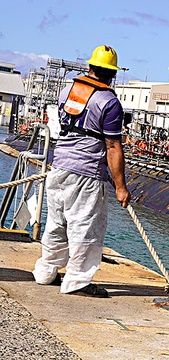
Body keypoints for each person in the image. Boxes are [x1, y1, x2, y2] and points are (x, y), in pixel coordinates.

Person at [32, 46, 131, 298]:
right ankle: (76, 282)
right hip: (86, 173)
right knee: (85, 227)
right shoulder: (110, 103)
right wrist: (120, 186)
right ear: (111, 74)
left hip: (60, 166)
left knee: (56, 223)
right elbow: (112, 146)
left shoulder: (67, 91)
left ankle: (46, 271)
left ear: (89, 67)